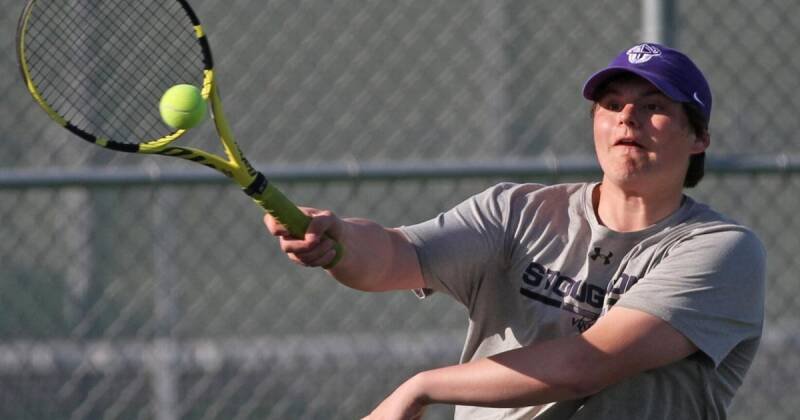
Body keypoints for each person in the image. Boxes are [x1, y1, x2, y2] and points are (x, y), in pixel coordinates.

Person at [264, 43, 766, 420]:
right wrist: (338, 243)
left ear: (699, 137)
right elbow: (395, 256)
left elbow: (586, 365)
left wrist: (421, 386)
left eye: (653, 104)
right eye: (611, 104)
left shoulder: (722, 252)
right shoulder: (516, 211)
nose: (626, 117)